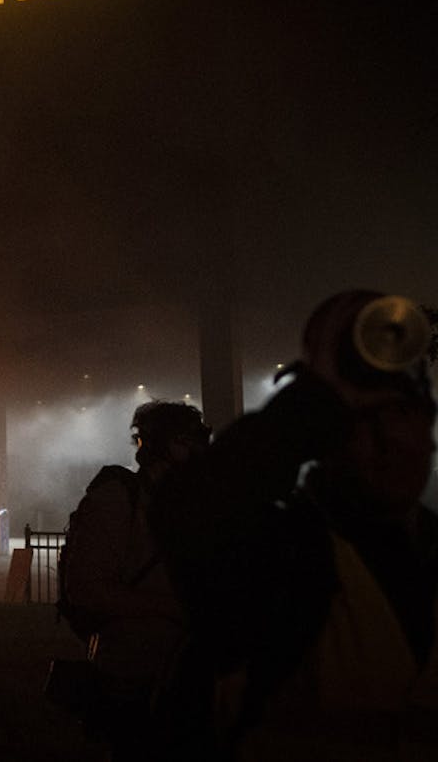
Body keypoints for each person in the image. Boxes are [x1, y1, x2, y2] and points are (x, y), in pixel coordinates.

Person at [153, 290, 438, 759]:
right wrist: (318, 396)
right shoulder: (285, 560)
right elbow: (189, 514)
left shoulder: (429, 552)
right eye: (361, 422)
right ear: (324, 435)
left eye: (401, 413)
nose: (388, 440)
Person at [63, 399, 213, 760]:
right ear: (158, 445)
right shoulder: (117, 499)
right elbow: (86, 590)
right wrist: (173, 608)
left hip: (191, 675)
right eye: (185, 441)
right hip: (132, 676)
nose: (197, 450)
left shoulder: (193, 503)